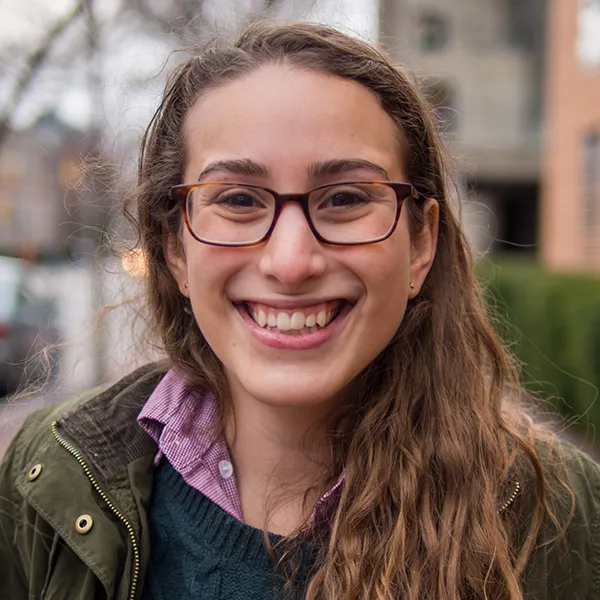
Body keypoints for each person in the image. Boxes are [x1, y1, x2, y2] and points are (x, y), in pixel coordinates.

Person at [1, 20, 599, 600]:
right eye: (236, 199)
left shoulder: (563, 515)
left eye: (344, 198)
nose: (290, 262)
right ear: (174, 248)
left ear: (421, 244)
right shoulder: (49, 479)